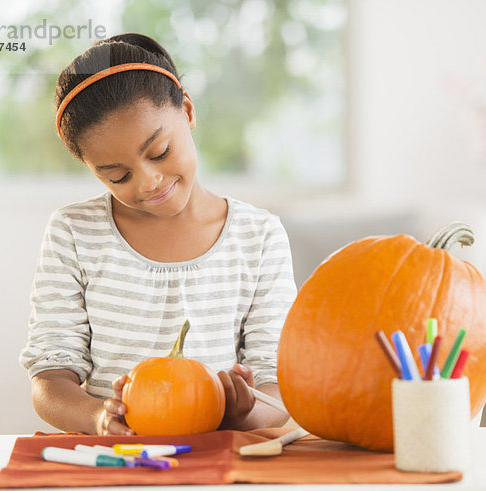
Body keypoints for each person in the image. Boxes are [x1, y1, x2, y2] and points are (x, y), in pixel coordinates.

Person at [19, 33, 297, 436]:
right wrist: (99, 417)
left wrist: (245, 413)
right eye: (118, 175)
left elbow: (277, 385)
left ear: (186, 111)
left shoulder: (260, 236)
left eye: (160, 152)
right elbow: (49, 379)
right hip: (115, 462)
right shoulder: (74, 232)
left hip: (219, 461)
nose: (148, 182)